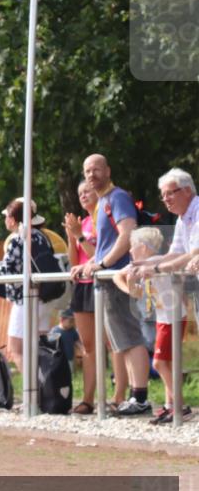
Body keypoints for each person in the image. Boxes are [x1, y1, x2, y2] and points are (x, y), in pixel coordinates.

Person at [71, 153, 152, 416]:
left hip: (118, 278)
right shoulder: (103, 202)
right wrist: (91, 263)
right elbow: (105, 245)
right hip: (108, 278)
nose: (91, 174)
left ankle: (140, 397)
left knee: (130, 337)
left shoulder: (116, 198)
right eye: (87, 171)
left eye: (96, 169)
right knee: (122, 341)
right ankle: (134, 396)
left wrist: (103, 264)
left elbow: (128, 233)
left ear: (108, 170)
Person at [115, 227, 191, 424]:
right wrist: (130, 286)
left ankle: (180, 406)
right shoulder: (144, 264)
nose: (130, 251)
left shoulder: (156, 260)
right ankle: (170, 405)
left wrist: (135, 279)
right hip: (164, 318)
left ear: (143, 247)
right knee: (167, 363)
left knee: (158, 363)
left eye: (133, 246)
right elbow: (121, 279)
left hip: (173, 318)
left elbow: (161, 265)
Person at [0, 198, 55, 366]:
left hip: (26, 299)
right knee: (40, 349)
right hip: (46, 297)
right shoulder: (42, 237)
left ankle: (33, 384)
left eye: (6, 216)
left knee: (16, 349)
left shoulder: (18, 239)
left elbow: (8, 266)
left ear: (12, 219)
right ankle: (45, 381)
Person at [63, 180, 112, 413]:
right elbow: (74, 261)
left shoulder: (103, 219)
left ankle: (119, 396)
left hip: (102, 282)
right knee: (88, 345)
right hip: (82, 286)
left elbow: (100, 255)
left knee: (111, 342)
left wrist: (79, 236)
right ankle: (88, 399)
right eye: (80, 192)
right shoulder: (81, 223)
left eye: (87, 191)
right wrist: (71, 236)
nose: (83, 195)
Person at [130, 168, 199, 319]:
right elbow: (175, 254)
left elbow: (194, 254)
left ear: (187, 190)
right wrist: (146, 263)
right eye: (163, 195)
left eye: (170, 193)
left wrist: (155, 268)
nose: (165, 199)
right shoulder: (182, 218)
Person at [48, 309, 84, 373]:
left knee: (69, 373)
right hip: (58, 360)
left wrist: (82, 349)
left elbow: (77, 341)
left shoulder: (72, 331)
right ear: (62, 320)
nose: (72, 324)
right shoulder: (55, 331)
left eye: (73, 321)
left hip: (69, 359)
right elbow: (50, 345)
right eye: (70, 321)